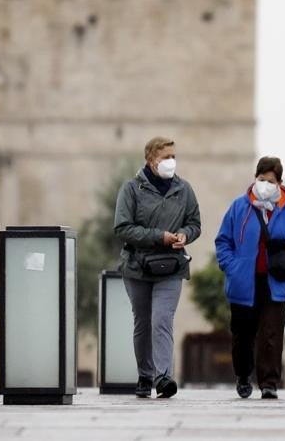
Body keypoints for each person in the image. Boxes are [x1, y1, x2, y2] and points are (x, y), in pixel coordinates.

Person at [214, 156, 285, 400]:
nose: (265, 184)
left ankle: (269, 382)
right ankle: (243, 376)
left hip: (276, 282)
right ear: (254, 178)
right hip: (243, 282)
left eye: (270, 181)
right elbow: (223, 241)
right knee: (242, 335)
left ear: (279, 182)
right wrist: (232, 266)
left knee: (271, 334)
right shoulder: (239, 206)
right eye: (261, 179)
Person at [114, 136, 201, 399]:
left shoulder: (184, 190)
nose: (171, 162)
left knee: (162, 319)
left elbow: (195, 223)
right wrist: (158, 237)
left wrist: (185, 234)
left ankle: (164, 378)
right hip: (138, 267)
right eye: (165, 157)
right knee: (143, 321)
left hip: (171, 267)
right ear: (151, 160)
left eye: (173, 156)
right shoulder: (131, 189)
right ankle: (145, 375)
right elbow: (122, 227)